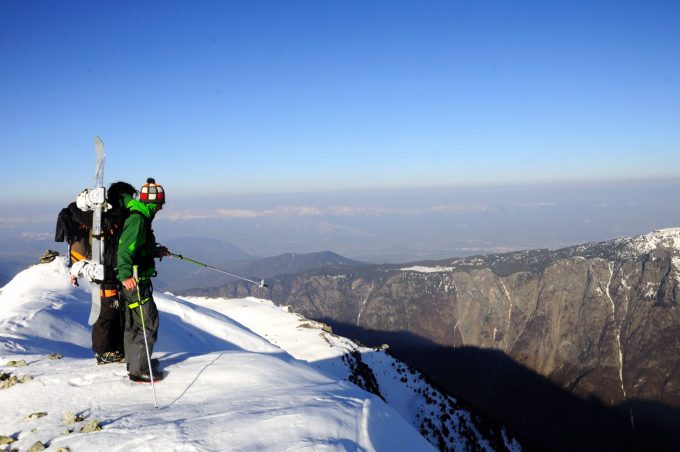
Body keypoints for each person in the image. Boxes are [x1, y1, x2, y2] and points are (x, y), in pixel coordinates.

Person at [116, 177, 168, 382]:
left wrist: (155, 251)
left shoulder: (140, 217)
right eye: (160, 204)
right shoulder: (138, 220)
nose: (160, 209)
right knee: (148, 323)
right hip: (135, 281)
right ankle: (139, 370)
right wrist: (125, 275)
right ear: (153, 203)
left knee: (134, 323)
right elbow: (125, 250)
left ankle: (137, 361)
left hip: (135, 278)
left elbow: (137, 248)